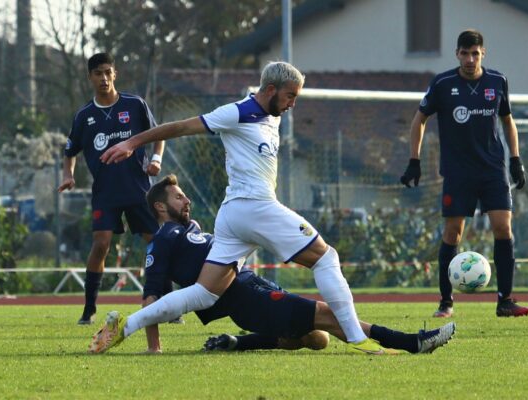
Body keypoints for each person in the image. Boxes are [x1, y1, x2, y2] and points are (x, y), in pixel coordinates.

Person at [94, 61, 387, 355]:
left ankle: (125, 326)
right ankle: (357, 337)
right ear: (270, 89)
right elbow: (182, 126)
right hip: (254, 207)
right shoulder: (236, 112)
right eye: (289, 96)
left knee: (204, 293)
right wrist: (133, 141)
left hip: (236, 214)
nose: (292, 104)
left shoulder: (273, 116)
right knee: (326, 257)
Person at [89, 174, 456, 355]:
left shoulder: (195, 229)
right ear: (159, 207)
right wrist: (154, 348)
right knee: (328, 313)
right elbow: (152, 297)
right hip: (245, 300)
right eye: (179, 196)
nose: (186, 201)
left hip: (255, 291)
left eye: (184, 195)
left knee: (317, 339)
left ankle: (236, 343)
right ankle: (412, 343)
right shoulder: (162, 241)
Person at [400, 30, 528, 318]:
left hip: (493, 169)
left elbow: (508, 122)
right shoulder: (443, 84)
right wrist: (414, 160)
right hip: (458, 173)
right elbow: (419, 119)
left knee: (503, 228)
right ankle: (446, 303)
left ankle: (505, 301)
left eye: (475, 53)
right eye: (465, 53)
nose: (470, 59)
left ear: (483, 53)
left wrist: (516, 159)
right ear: (457, 53)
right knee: (452, 232)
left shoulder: (497, 81)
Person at [58, 52, 166, 324]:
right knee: (101, 244)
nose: (104, 78)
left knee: (156, 245)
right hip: (105, 193)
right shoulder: (84, 115)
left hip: (139, 189)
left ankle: (164, 303)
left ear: (115, 74)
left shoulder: (135, 104)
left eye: (108, 72)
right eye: (98, 73)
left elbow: (159, 135)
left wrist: (155, 160)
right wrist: (68, 175)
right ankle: (89, 309)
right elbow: (70, 150)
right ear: (90, 77)